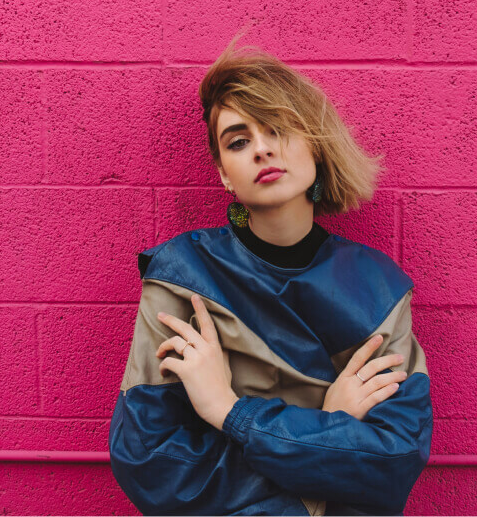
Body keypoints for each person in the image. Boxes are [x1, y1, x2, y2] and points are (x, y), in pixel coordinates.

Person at [108, 34, 433, 516]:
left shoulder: (378, 288)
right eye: (238, 141)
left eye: (277, 129)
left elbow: (394, 461)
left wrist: (228, 412)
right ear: (224, 174)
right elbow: (148, 462)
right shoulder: (182, 277)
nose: (261, 149)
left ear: (315, 147)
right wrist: (330, 426)